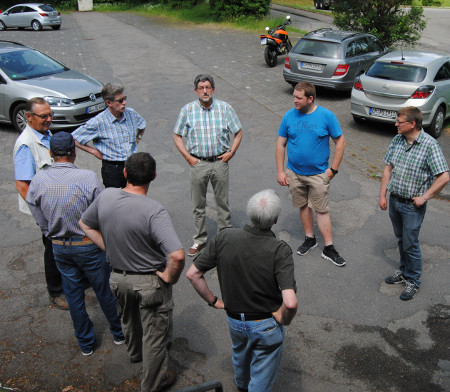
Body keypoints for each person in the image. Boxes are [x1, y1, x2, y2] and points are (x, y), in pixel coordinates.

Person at [79, 152, 185, 392]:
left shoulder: (106, 196)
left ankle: (136, 354)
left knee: (129, 318)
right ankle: (153, 383)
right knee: (155, 333)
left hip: (118, 278)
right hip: (149, 283)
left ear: (125, 173)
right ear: (154, 177)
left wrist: (108, 246)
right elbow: (177, 255)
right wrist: (170, 276)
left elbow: (84, 223)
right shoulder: (154, 211)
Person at [187, 189, 297, 392]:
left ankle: (241, 386)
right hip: (265, 322)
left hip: (235, 318)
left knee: (240, 353)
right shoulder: (279, 250)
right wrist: (284, 319)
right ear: (275, 220)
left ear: (250, 213)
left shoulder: (224, 237)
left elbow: (193, 274)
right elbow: (290, 302)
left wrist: (214, 301)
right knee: (262, 369)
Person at [25, 132, 124, 356]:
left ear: (50, 153)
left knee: (73, 295)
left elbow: (32, 204)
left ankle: (86, 344)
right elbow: (102, 212)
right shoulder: (88, 178)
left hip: (60, 246)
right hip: (88, 244)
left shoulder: (39, 179)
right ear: (74, 153)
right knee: (104, 291)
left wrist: (47, 229)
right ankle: (118, 333)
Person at [379, 107, 449, 301]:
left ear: (412, 124)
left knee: (410, 243)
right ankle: (403, 271)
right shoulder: (397, 140)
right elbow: (387, 169)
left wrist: (424, 197)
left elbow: (444, 177)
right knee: (401, 239)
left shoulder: (430, 145)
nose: (395, 124)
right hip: (395, 200)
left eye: (399, 122)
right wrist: (383, 195)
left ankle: (413, 280)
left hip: (412, 206)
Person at [276, 82, 347, 267]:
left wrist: (333, 169)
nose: (295, 101)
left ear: (310, 98)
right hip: (294, 172)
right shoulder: (289, 116)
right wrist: (281, 170)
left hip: (319, 174)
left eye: (299, 98)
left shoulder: (326, 116)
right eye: (294, 96)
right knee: (303, 205)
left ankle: (329, 247)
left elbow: (340, 142)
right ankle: (310, 239)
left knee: (321, 209)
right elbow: (280, 143)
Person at [173, 74, 243, 257]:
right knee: (198, 204)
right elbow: (177, 135)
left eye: (208, 87)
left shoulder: (225, 108)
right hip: (198, 163)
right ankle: (199, 240)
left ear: (213, 89)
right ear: (196, 91)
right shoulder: (187, 110)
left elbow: (238, 132)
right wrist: (188, 158)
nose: (205, 91)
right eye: (201, 88)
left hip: (220, 163)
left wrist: (231, 152)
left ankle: (224, 238)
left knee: (223, 203)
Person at [13, 97, 67, 310]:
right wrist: (42, 216)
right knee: (52, 248)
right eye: (43, 116)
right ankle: (55, 292)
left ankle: (67, 281)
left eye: (50, 115)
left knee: (60, 245)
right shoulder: (26, 144)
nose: (49, 119)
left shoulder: (45, 134)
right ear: (29, 117)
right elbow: (22, 185)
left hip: (54, 204)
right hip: (45, 210)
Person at [72, 83, 146, 188]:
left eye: (124, 98)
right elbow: (74, 138)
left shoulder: (131, 114)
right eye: (120, 101)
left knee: (133, 196)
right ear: (109, 103)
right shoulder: (98, 121)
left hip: (131, 165)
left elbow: (142, 125)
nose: (124, 103)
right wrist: (93, 151)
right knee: (113, 200)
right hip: (112, 169)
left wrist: (138, 138)